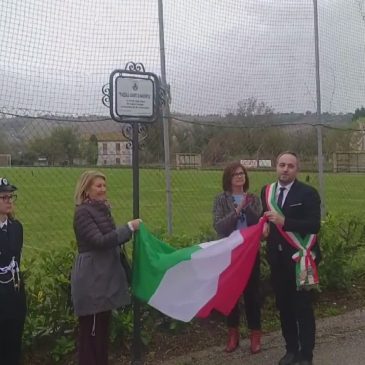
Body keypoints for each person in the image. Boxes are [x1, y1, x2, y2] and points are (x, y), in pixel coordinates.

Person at [71, 171, 141, 365]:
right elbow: (100, 241)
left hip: (103, 278)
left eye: (104, 185)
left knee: (101, 333)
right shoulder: (83, 212)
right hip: (92, 280)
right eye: (98, 186)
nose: (103, 189)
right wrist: (128, 228)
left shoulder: (101, 209)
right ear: (86, 189)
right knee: (91, 335)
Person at [261, 151, 321, 365]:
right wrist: (266, 227)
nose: (285, 169)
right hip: (277, 261)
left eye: (290, 166)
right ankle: (291, 350)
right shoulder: (267, 192)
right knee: (284, 307)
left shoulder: (308, 193)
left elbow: (314, 225)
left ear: (297, 169)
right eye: (281, 165)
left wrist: (284, 221)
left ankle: (306, 355)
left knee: (303, 309)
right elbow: (266, 218)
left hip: (300, 260)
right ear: (276, 166)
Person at [213, 162, 262, 354]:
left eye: (242, 173)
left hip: (249, 253)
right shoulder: (220, 200)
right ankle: (233, 335)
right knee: (232, 295)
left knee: (252, 295)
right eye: (235, 175)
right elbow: (219, 226)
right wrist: (236, 212)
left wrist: (246, 207)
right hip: (229, 254)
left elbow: (257, 222)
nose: (240, 177)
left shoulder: (253, 198)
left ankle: (255, 336)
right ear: (229, 179)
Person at [0, 177, 26, 365]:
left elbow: (16, 260)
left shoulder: (16, 228)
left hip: (14, 297)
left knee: (13, 344)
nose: (9, 201)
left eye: (11, 196)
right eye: (3, 197)